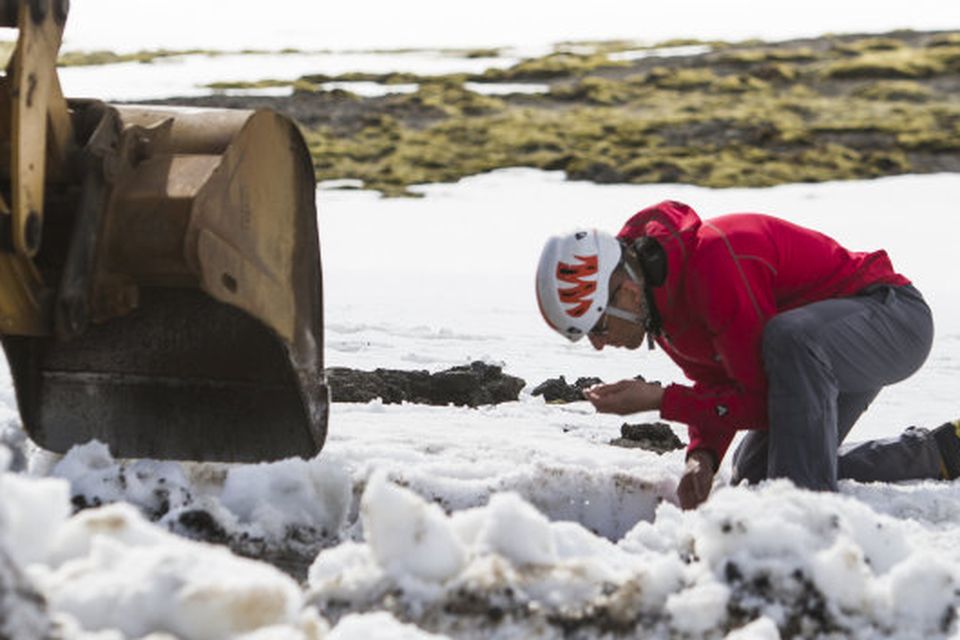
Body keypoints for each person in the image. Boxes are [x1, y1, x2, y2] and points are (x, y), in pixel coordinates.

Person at [535, 200, 957, 509]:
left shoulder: (713, 267)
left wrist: (661, 400)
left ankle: (805, 521)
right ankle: (940, 452)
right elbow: (722, 384)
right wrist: (702, 458)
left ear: (626, 292)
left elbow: (765, 401)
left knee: (789, 345)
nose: (598, 345)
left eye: (599, 327)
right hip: (818, 357)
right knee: (755, 475)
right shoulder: (661, 306)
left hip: (892, 319)